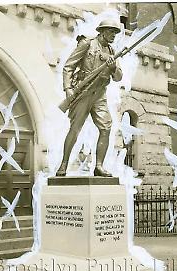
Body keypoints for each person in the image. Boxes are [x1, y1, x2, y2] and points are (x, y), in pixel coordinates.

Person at [58, 19, 123, 177]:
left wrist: (113, 67)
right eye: (111, 32)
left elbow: (119, 77)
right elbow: (68, 66)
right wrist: (68, 89)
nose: (114, 35)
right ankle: (63, 164)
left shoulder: (112, 52)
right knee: (75, 129)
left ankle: (99, 166)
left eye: (115, 32)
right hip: (83, 91)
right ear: (102, 31)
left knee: (106, 128)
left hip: (100, 94)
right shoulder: (87, 44)